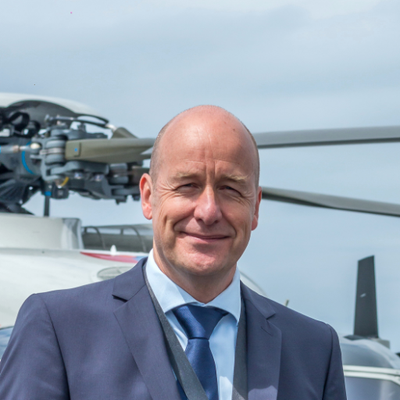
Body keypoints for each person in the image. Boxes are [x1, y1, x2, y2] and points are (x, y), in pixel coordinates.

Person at [0, 106, 346, 400]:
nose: (208, 211)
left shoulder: (314, 349)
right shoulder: (60, 328)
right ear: (148, 197)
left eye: (230, 189)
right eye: (187, 186)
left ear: (255, 208)